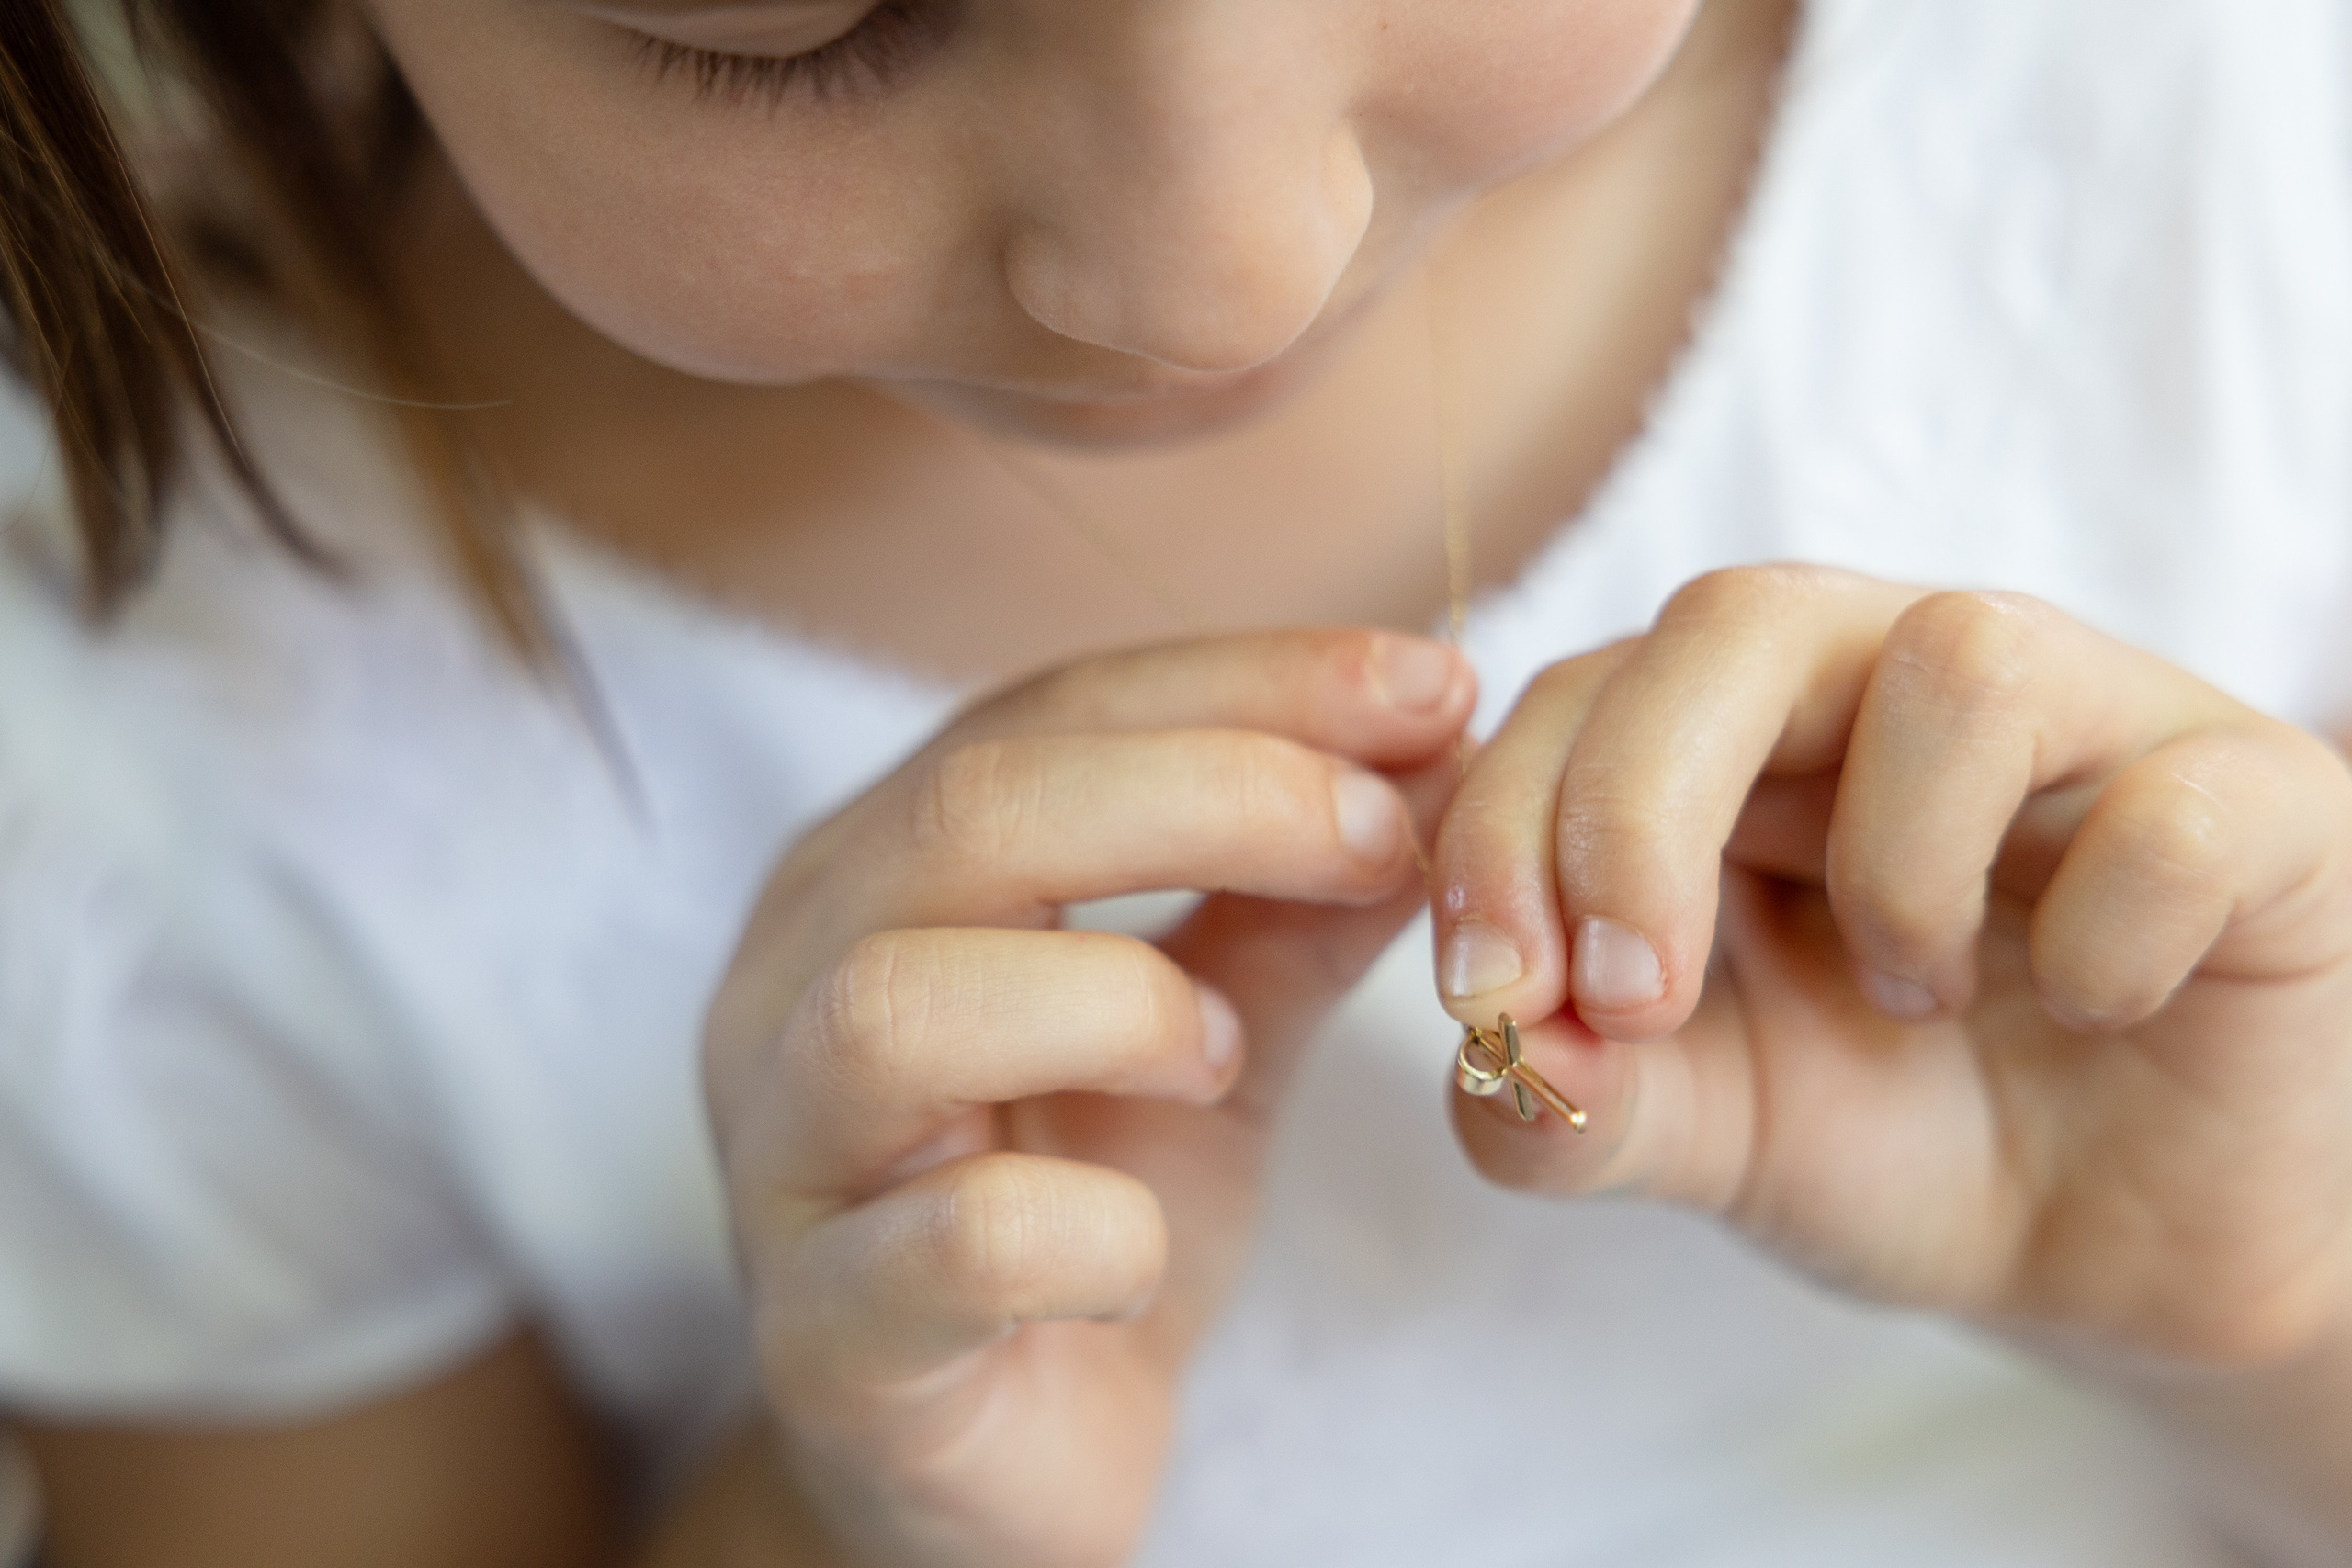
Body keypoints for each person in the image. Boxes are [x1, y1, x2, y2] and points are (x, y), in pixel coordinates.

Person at [3, 0, 2350, 1562]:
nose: (1225, 267)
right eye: (791, 14)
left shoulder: (2224, 133)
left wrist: (2274, 1279)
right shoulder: (151, 749)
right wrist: (861, 1514)